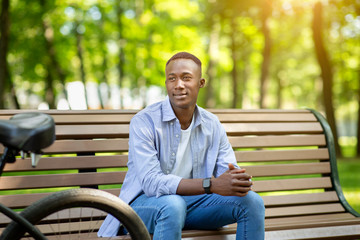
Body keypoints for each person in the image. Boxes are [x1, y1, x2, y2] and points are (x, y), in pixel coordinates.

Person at [98, 52, 265, 239]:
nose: (178, 85)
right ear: (166, 83)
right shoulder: (144, 121)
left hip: (192, 207)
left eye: (186, 78)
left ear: (200, 83)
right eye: (172, 79)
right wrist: (211, 185)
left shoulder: (212, 124)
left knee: (252, 202)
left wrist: (236, 181)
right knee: (173, 205)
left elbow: (227, 174)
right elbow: (152, 183)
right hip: (143, 207)